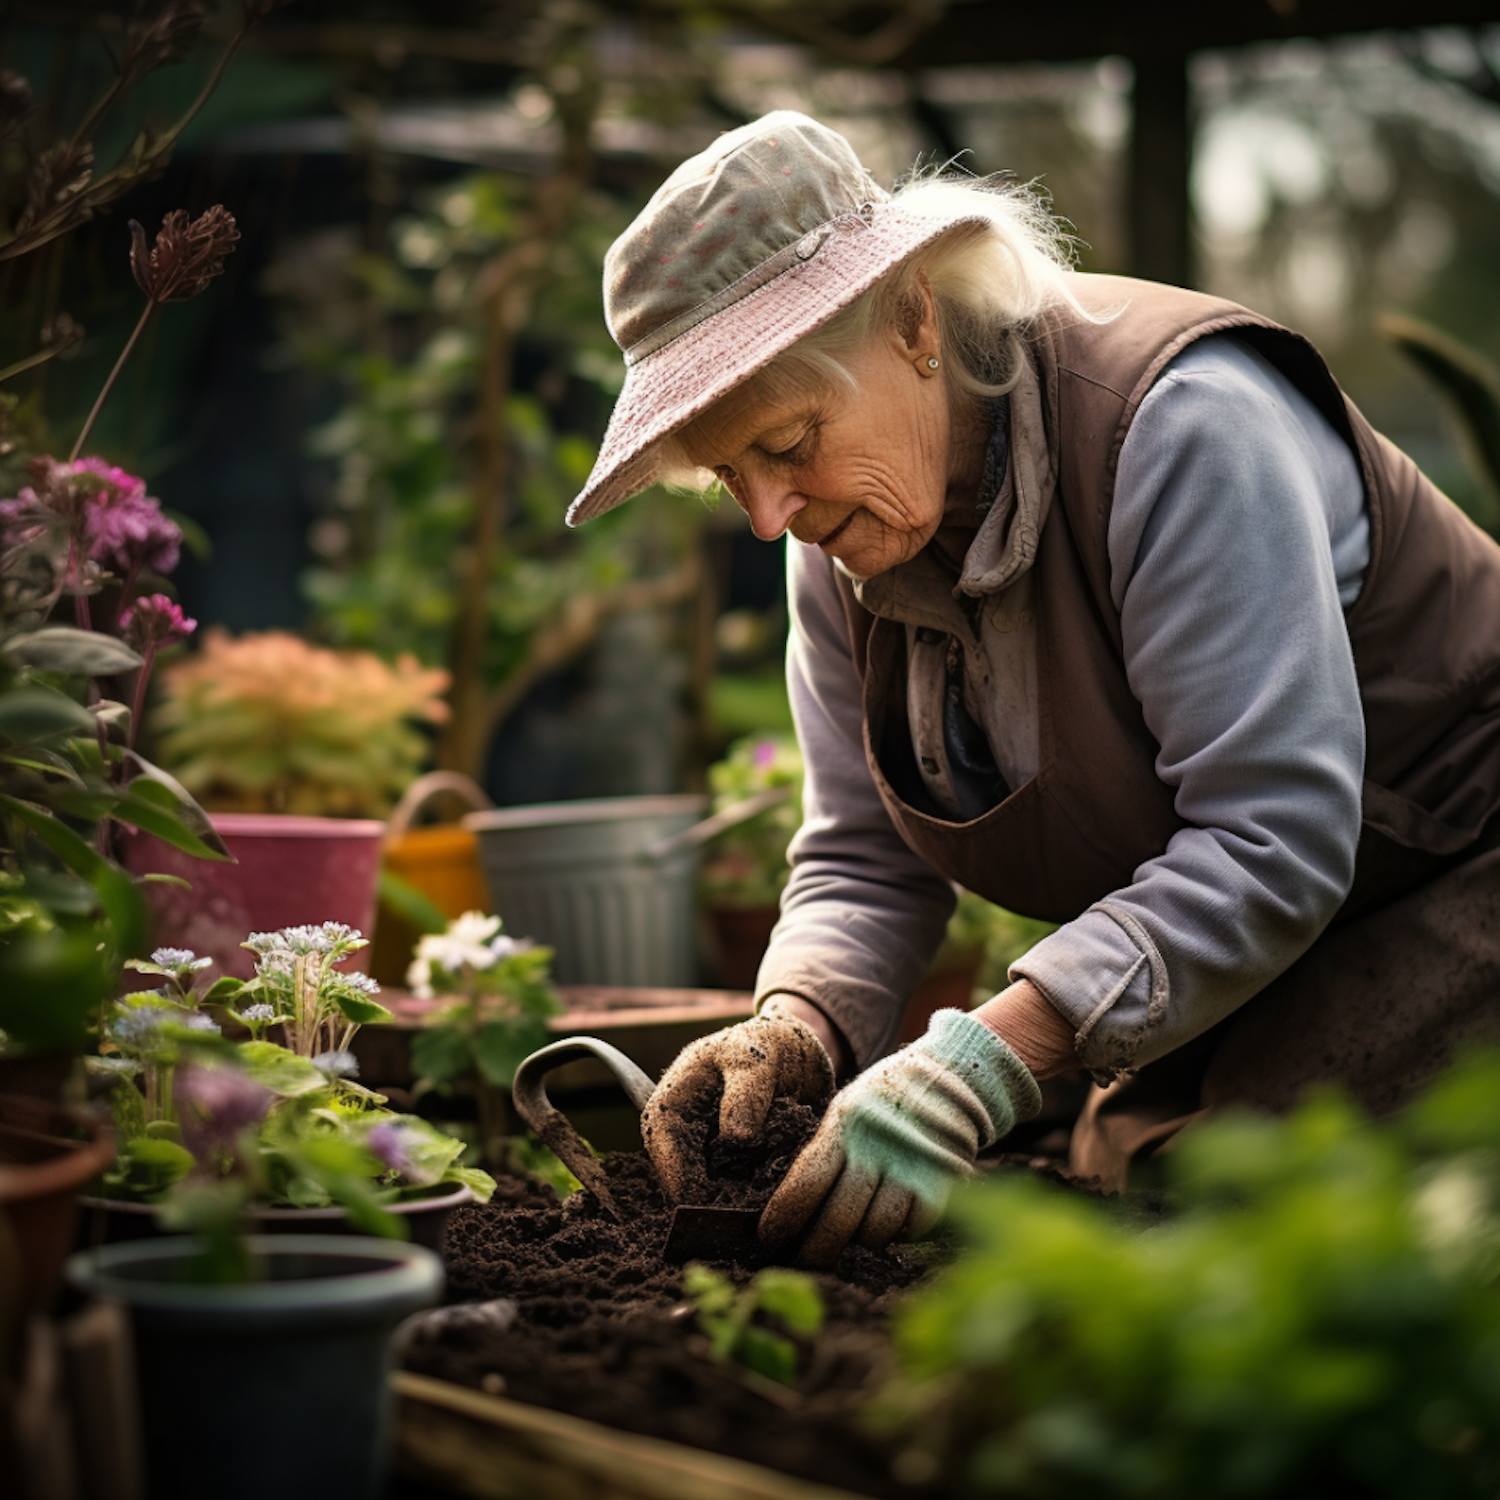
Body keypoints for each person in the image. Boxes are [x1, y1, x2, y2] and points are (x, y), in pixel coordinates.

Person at [566, 111, 1500, 1267]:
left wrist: (984, 1058)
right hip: (1287, 945)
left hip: (1463, 872)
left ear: (914, 318)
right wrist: (794, 1023)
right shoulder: (838, 535)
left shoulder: (1179, 427)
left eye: (791, 440)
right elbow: (863, 850)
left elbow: (1273, 836)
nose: (768, 515)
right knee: (1126, 1180)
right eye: (729, 475)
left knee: (1279, 1228)